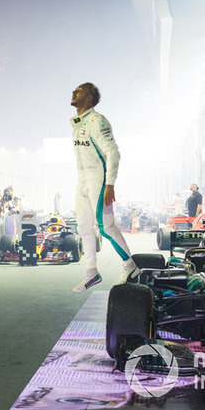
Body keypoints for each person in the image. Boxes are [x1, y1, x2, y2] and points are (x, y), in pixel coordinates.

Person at [69, 83, 138, 291]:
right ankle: (92, 272)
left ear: (90, 98)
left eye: (79, 91)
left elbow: (113, 153)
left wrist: (110, 184)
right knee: (82, 227)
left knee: (106, 227)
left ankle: (130, 265)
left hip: (98, 179)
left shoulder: (97, 121)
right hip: (82, 179)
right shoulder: (78, 123)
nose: (73, 92)